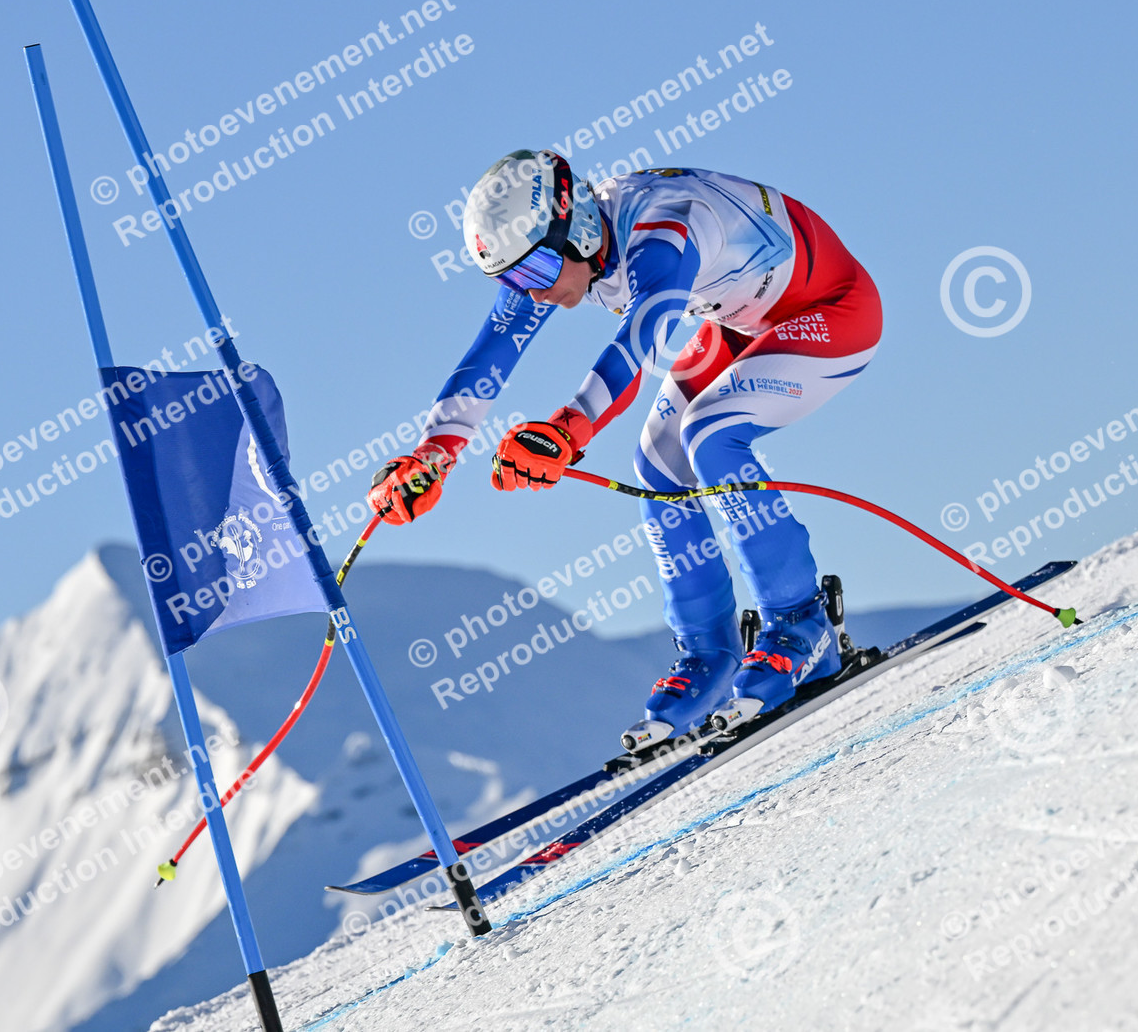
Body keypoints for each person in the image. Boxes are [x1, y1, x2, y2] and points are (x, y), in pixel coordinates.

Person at [369, 150, 882, 750]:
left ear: (580, 231)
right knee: (657, 463)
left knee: (710, 435)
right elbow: (492, 351)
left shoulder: (663, 227)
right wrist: (433, 455)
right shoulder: (554, 249)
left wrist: (568, 428)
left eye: (537, 271)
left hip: (831, 311)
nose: (533, 292)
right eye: (514, 279)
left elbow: (643, 336)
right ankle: (709, 656)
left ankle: (800, 624)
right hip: (743, 320)